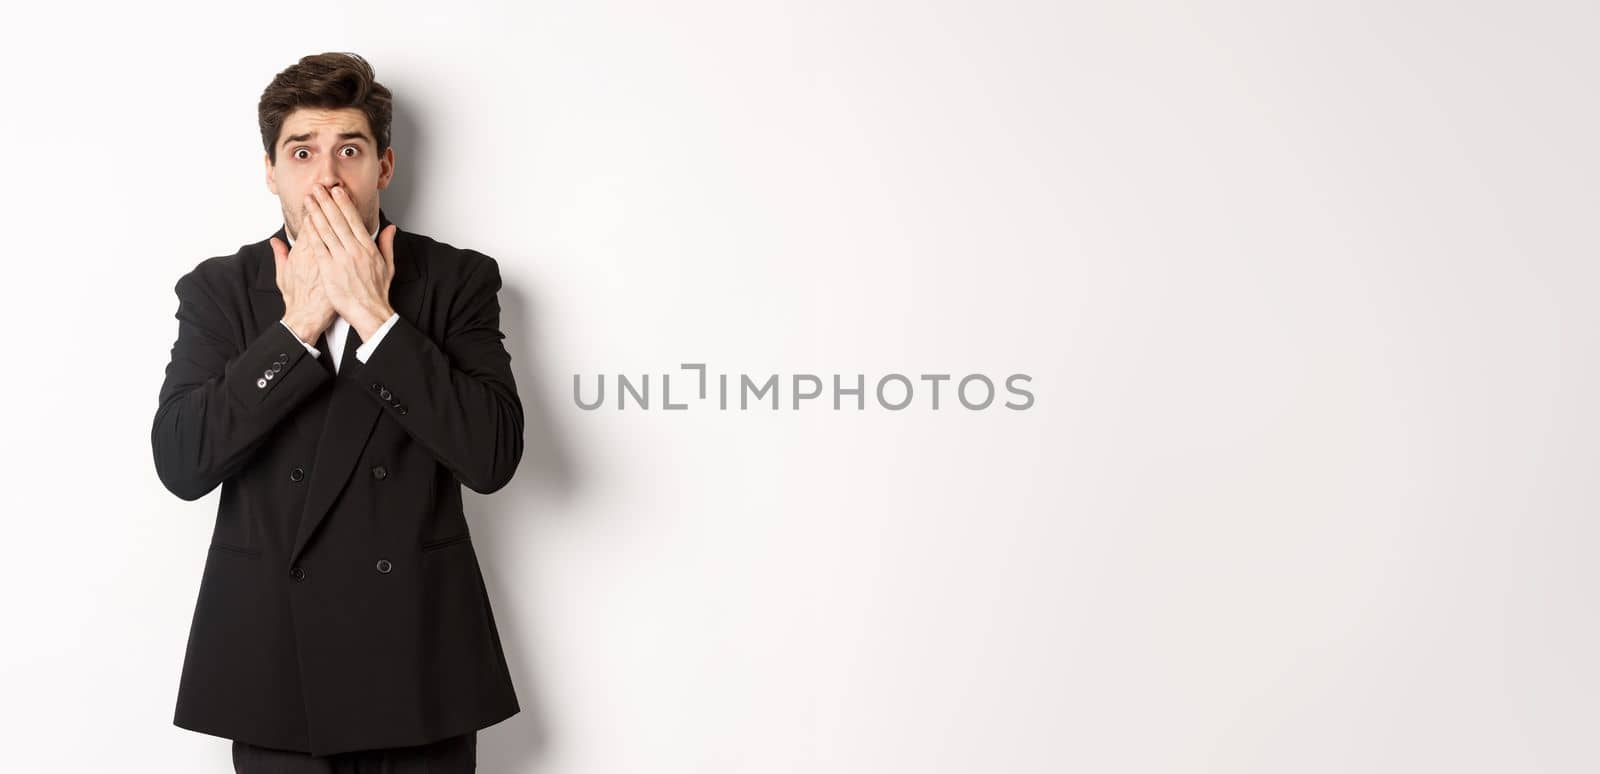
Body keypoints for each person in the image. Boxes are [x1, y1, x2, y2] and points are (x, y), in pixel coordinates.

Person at [151, 52, 524, 773]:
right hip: (274, 667)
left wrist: (377, 321)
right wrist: (296, 330)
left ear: (383, 167)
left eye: (349, 150)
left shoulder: (455, 281)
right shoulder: (219, 291)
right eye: (302, 151)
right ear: (271, 171)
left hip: (418, 664)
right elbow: (183, 462)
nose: (326, 175)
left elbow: (492, 456)